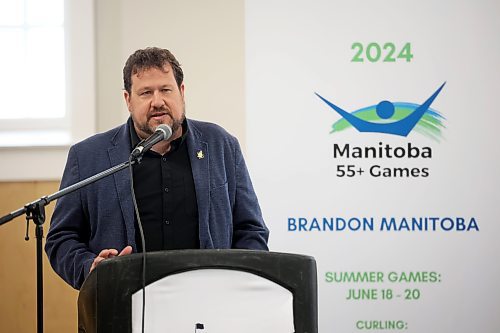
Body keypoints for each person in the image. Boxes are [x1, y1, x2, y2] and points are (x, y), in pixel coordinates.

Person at [45, 47, 269, 289]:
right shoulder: (88, 157)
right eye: (145, 93)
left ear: (181, 93)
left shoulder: (221, 145)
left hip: (208, 302)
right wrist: (90, 267)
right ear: (128, 100)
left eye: (165, 90)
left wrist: (237, 280)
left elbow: (251, 229)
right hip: (125, 307)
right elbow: (61, 238)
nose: (158, 101)